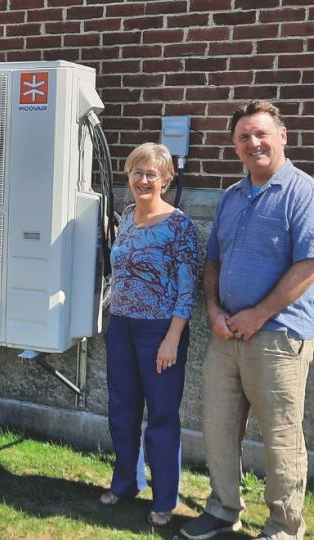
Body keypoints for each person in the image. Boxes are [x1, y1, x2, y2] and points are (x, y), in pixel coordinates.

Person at [181, 101, 314, 540]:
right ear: (235, 147)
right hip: (225, 335)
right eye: (243, 137)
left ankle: (283, 525)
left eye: (260, 134)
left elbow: (309, 264)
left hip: (277, 335)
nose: (252, 143)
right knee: (217, 427)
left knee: (280, 437)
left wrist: (258, 314)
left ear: (282, 137)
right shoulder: (231, 197)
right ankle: (222, 510)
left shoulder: (303, 192)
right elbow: (213, 260)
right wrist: (215, 310)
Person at [99, 143, 198, 527]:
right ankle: (125, 481)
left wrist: (173, 337)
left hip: (160, 330)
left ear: (166, 180)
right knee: (121, 411)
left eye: (152, 174)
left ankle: (164, 498)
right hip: (121, 326)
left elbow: (186, 288)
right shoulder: (125, 217)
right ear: (129, 176)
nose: (143, 180)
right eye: (137, 172)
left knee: (161, 416)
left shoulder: (178, 225)